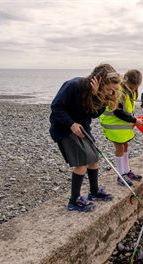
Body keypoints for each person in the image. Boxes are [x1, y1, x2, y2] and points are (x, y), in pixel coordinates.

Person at [49, 63, 121, 212]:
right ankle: (73, 201)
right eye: (109, 90)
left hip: (82, 128)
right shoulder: (73, 85)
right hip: (64, 128)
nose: (110, 94)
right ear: (100, 81)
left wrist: (98, 97)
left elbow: (94, 114)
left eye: (113, 91)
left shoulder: (98, 93)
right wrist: (71, 124)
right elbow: (56, 107)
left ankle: (93, 192)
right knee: (82, 162)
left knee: (94, 158)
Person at [99, 69, 143, 187]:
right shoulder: (118, 90)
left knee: (125, 145)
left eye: (136, 87)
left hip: (123, 123)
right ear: (126, 81)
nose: (134, 89)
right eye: (132, 87)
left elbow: (128, 109)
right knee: (119, 147)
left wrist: (133, 118)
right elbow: (118, 112)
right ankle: (120, 175)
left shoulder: (132, 91)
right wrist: (134, 120)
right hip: (113, 123)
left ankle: (127, 171)